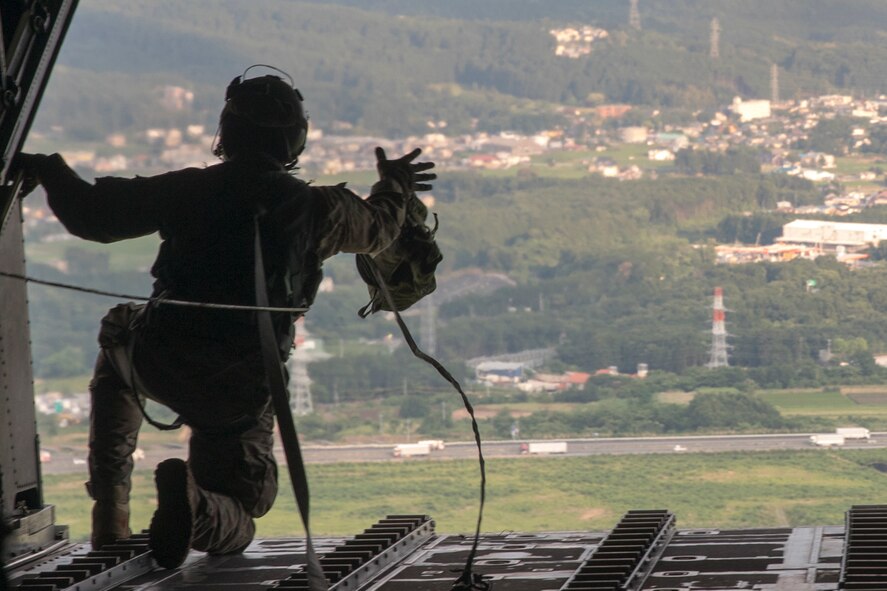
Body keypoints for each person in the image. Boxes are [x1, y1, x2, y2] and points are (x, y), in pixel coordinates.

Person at [14, 67, 435, 569]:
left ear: (226, 134)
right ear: (294, 140)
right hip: (241, 384)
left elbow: (93, 217)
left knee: (120, 329)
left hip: (160, 357)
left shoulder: (185, 190)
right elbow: (381, 229)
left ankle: (110, 514)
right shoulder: (321, 209)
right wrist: (394, 184)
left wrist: (49, 168)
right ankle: (196, 504)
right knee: (242, 512)